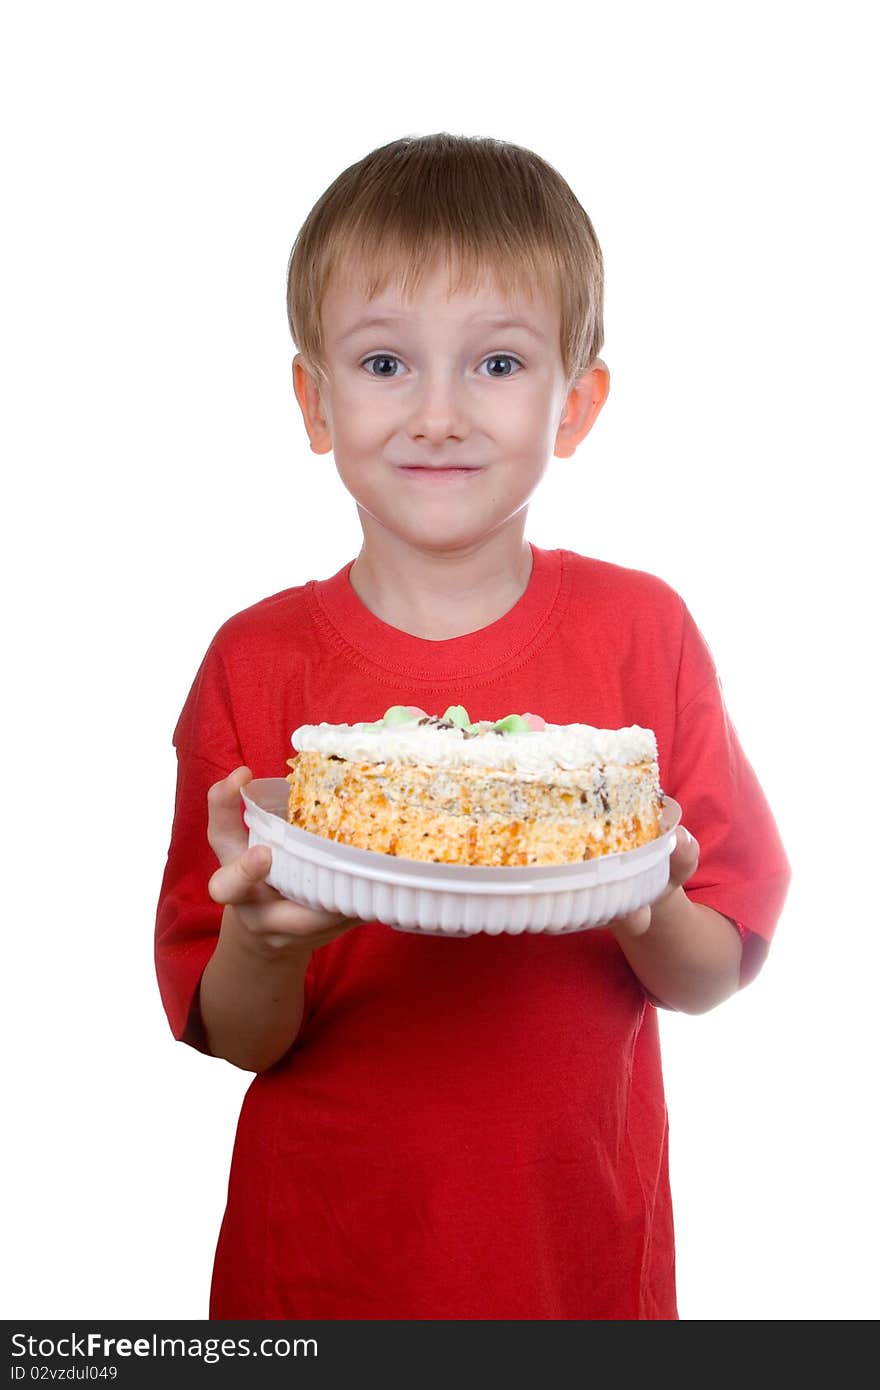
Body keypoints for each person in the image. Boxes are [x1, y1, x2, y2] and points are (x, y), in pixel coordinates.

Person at [155, 132, 790, 1320]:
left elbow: (710, 971)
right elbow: (237, 1035)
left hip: (577, 1266)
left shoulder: (642, 632)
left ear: (575, 403)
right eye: (385, 361)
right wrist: (270, 941)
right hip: (323, 1269)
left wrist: (647, 898)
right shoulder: (256, 661)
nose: (438, 414)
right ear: (314, 399)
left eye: (497, 363)